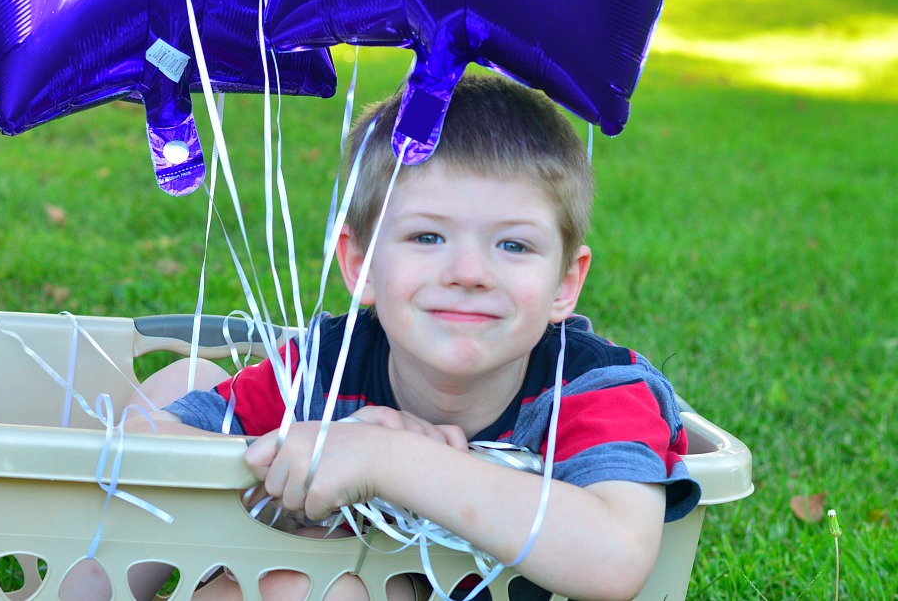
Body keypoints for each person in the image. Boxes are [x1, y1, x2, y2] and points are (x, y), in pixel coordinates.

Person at [122, 73, 699, 600]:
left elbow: (615, 560)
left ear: (564, 284)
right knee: (185, 380)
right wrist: (324, 451)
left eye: (514, 245)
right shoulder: (329, 367)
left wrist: (388, 460)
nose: (469, 272)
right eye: (427, 237)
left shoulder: (596, 390)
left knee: (311, 587)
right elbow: (154, 469)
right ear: (361, 265)